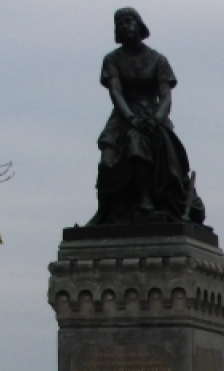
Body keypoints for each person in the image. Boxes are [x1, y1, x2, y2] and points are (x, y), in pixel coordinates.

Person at [86, 8, 206, 225]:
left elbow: (166, 97)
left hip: (153, 114)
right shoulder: (112, 59)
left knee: (137, 141)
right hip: (124, 114)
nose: (125, 25)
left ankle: (146, 203)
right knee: (107, 161)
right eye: (120, 23)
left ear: (139, 24)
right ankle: (106, 209)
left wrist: (156, 119)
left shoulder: (158, 59)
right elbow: (116, 92)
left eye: (129, 21)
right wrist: (130, 118)